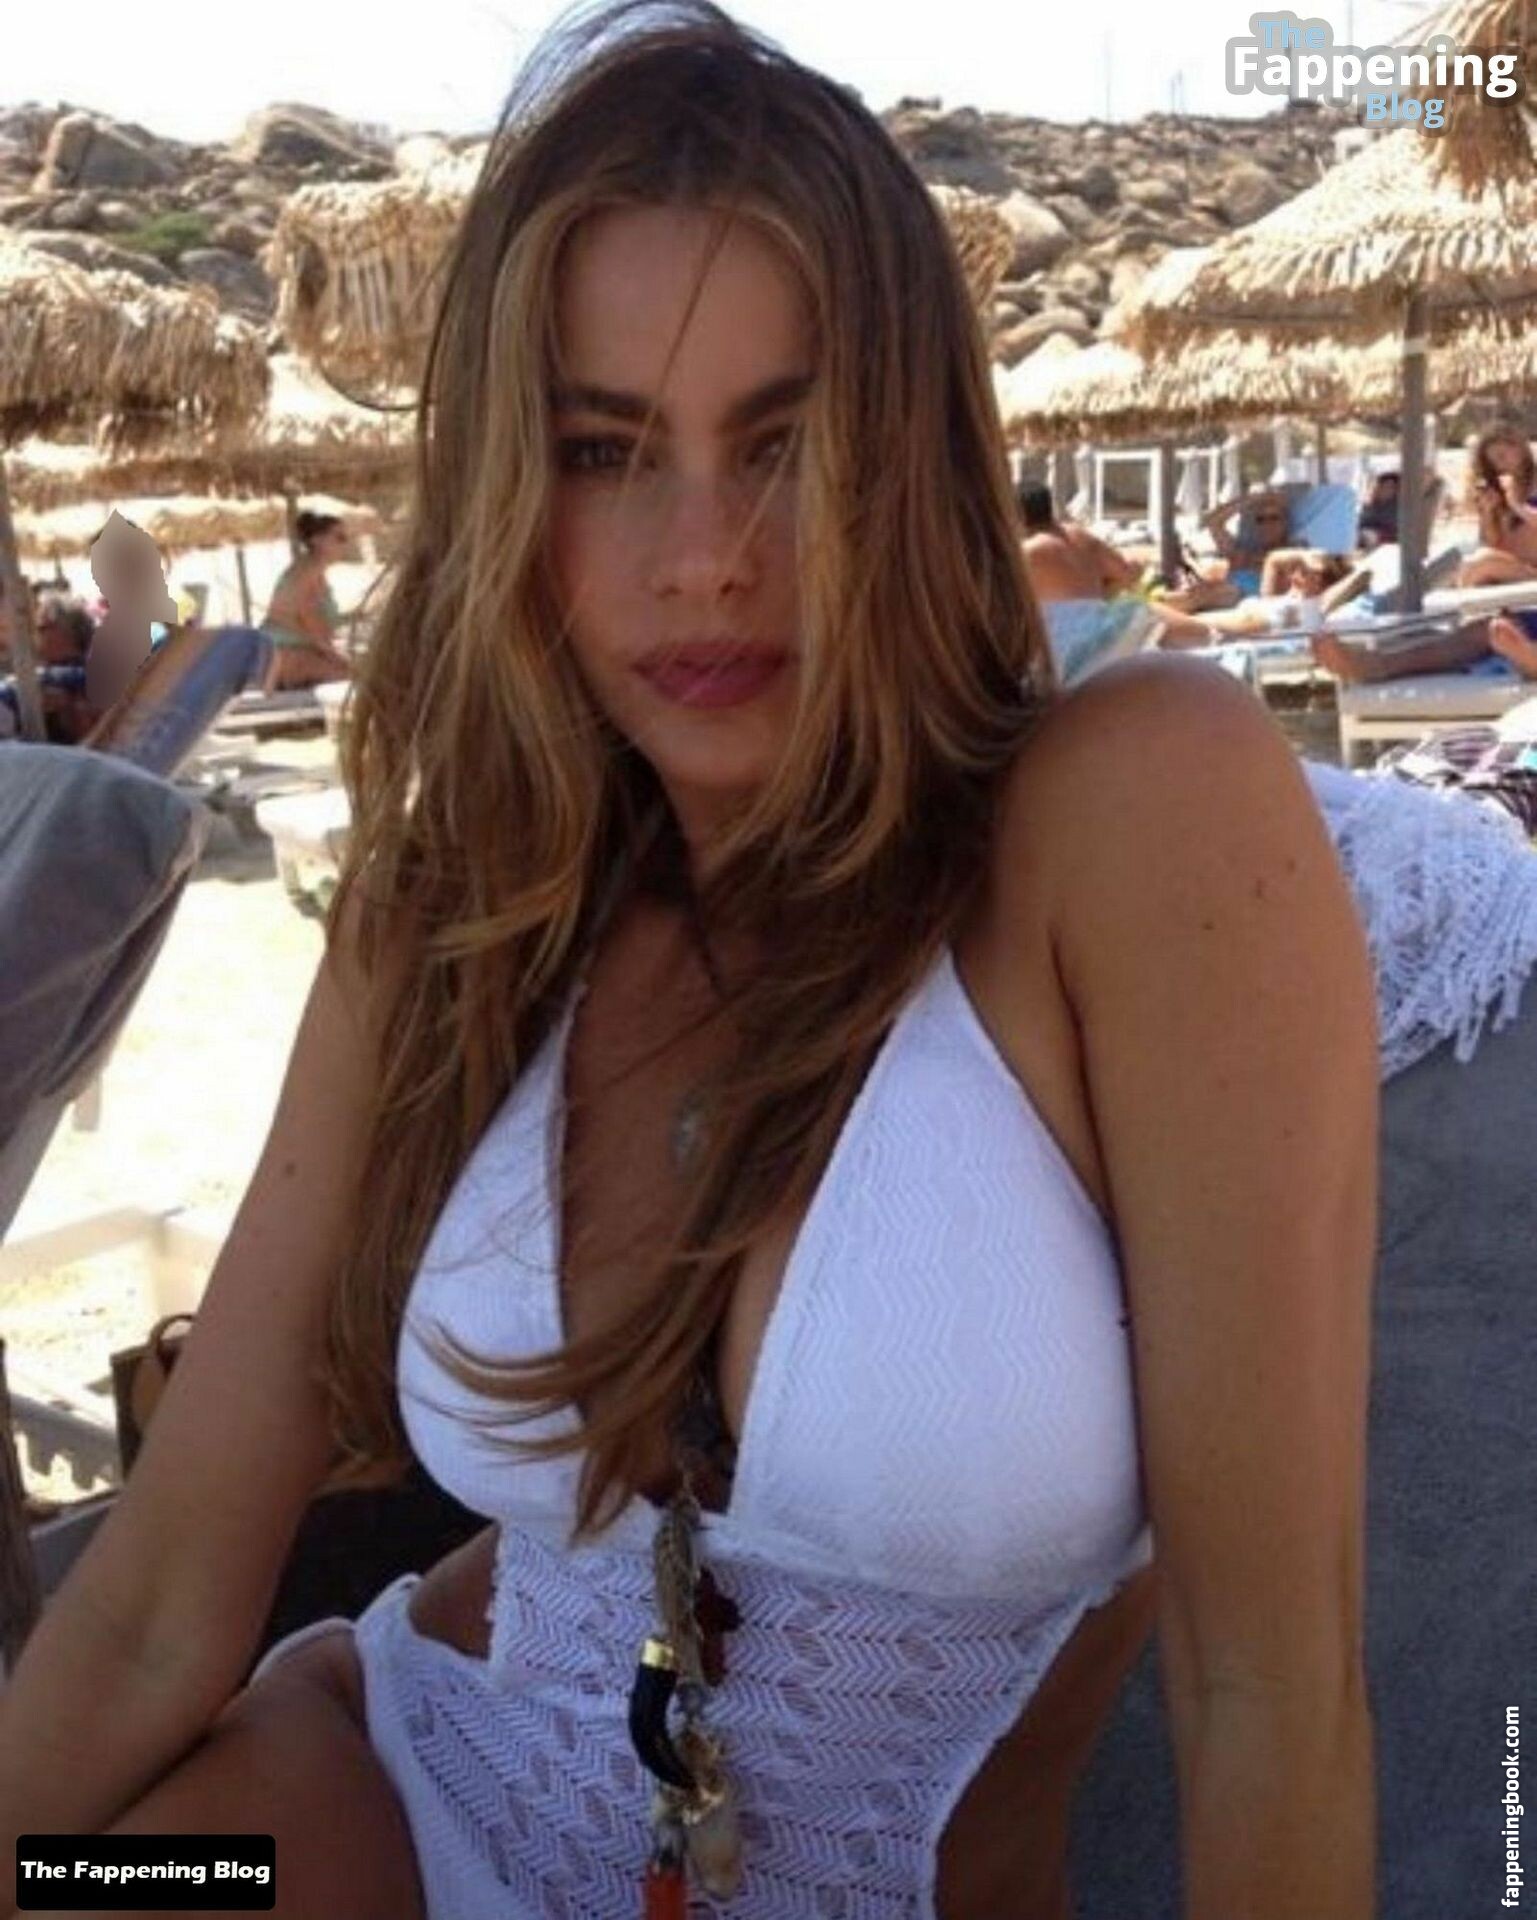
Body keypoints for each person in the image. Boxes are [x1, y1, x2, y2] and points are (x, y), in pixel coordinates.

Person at [0, 10, 1377, 1920]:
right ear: (509, 482)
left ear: (911, 451)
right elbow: (159, 1600)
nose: (703, 556)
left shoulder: (1130, 816)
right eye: (603, 450)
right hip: (392, 1795)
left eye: (785, 441)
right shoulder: (461, 903)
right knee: (92, 1891)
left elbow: (1265, 1695)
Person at [261, 512, 356, 690]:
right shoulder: (308, 572)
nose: (345, 544)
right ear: (317, 540)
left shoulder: (312, 570)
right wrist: (336, 656)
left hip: (294, 652)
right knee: (354, 677)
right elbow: (309, 621)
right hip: (286, 654)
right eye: (339, 538)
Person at [1017, 481, 1142, 602]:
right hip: (1096, 612)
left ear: (1018, 515)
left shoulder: (1027, 551)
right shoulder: (1079, 534)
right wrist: (1105, 590)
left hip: (1058, 615)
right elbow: (1127, 573)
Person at [1457, 425, 1537, 589]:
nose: (1500, 466)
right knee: (1469, 565)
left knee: (1478, 565)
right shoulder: (1500, 490)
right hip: (1513, 566)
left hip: (1532, 569)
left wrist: (1517, 505)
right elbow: (1491, 543)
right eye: (1493, 463)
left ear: (1518, 447)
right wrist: (1488, 513)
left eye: (1502, 456)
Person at [1356, 471, 1400, 550]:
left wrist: (1379, 535)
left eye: (1392, 487)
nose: (1388, 490)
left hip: (1387, 541)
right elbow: (1361, 522)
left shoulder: (1397, 506)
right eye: (1385, 486)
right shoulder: (1370, 504)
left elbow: (1397, 530)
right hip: (1367, 536)